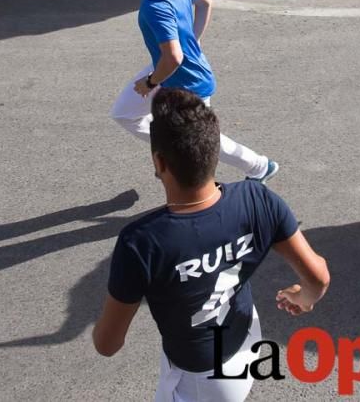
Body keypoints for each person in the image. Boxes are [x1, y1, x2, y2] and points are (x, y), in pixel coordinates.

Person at [94, 87, 330, 401]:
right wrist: (304, 299)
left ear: (159, 162)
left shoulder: (141, 242)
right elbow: (319, 277)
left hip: (202, 380)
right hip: (247, 338)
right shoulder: (257, 199)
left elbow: (107, 344)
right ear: (214, 152)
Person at [111, 0, 280, 183]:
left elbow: (175, 57)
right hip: (169, 70)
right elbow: (205, 4)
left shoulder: (156, 2)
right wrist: (195, 41)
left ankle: (259, 166)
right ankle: (167, 146)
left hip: (185, 83)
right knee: (124, 113)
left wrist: (149, 82)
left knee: (206, 141)